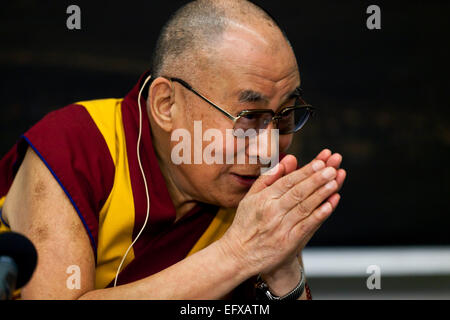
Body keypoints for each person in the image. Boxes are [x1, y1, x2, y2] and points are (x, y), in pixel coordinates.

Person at [0, 0, 346, 299]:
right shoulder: (77, 144)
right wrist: (239, 252)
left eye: (285, 116)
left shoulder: (253, 201)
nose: (268, 149)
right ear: (166, 104)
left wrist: (284, 273)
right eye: (250, 117)